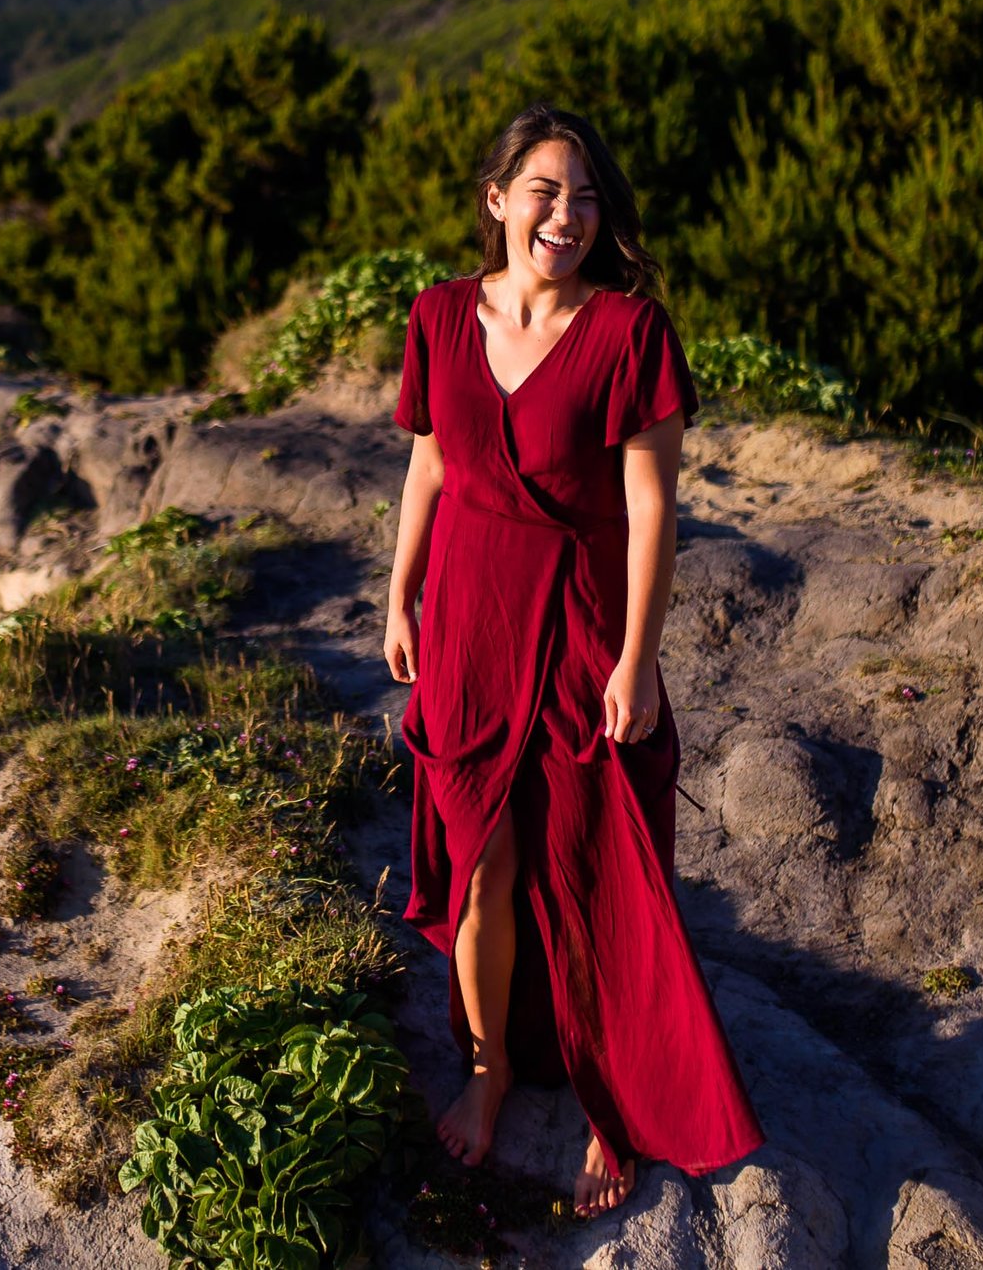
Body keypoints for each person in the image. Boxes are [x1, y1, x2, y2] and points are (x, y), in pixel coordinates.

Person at [382, 104, 763, 1216]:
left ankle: (613, 1098)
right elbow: (428, 464)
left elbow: (652, 512)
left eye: (587, 196)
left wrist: (636, 660)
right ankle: (492, 1069)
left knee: (589, 860)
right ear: (496, 198)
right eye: (546, 190)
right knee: (482, 859)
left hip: (578, 619)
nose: (569, 214)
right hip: (465, 616)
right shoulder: (440, 315)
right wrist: (399, 591)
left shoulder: (628, 331)